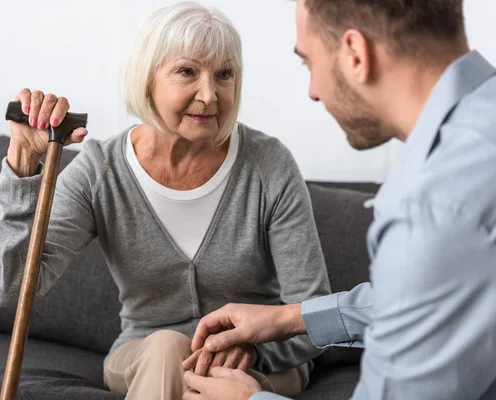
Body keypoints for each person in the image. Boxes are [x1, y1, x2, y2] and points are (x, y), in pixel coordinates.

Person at [0, 2, 330, 400]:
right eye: (187, 71)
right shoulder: (101, 171)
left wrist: (255, 346)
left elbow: (314, 312)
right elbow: (10, 288)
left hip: (259, 359)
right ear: (146, 79)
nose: (209, 94)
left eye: (224, 74)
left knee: (212, 378)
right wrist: (25, 163)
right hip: (143, 352)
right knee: (167, 347)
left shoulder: (268, 165)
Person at [184, 0, 496, 399]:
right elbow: (442, 300)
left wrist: (248, 399)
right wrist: (290, 318)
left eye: (308, 63)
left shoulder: (433, 204)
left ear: (355, 54)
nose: (313, 91)